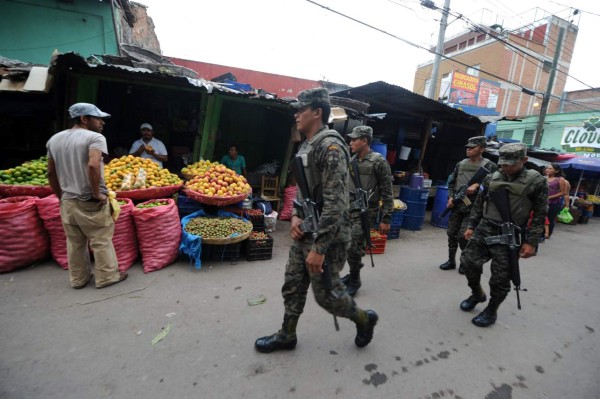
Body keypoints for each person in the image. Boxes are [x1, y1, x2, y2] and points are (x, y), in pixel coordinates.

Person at [254, 88, 378, 353]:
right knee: (293, 285)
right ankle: (287, 335)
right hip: (307, 228)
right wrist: (296, 216)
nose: (297, 114)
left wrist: (319, 249)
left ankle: (364, 319)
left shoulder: (331, 146)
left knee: (328, 297)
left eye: (302, 109)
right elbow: (304, 192)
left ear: (317, 112)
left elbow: (336, 203)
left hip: (329, 236)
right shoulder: (307, 144)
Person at [459, 143, 548, 327]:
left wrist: (531, 242)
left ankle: (491, 310)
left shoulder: (536, 181)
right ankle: (477, 293)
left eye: (511, 164)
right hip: (485, 228)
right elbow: (479, 204)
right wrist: (471, 226)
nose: (506, 167)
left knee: (500, 279)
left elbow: (540, 213)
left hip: (510, 234)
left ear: (524, 160)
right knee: (468, 262)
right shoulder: (491, 177)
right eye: (503, 163)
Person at [46, 103, 127, 289]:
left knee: (75, 243)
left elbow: (50, 173)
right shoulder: (95, 138)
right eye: (98, 118)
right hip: (89, 201)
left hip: (67, 200)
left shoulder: (54, 140)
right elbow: (93, 165)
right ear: (84, 119)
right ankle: (107, 277)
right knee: (101, 239)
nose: (102, 123)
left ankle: (78, 279)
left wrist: (61, 196)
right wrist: (97, 193)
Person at [341, 125, 394, 297]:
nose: (351, 142)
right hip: (348, 210)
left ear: (365, 141)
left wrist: (386, 218)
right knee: (347, 246)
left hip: (365, 212)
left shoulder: (379, 162)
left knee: (354, 248)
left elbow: (387, 192)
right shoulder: (352, 161)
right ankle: (352, 272)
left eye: (354, 139)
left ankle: (355, 280)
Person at [439, 136, 497, 274]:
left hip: (474, 208)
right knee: (451, 233)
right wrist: (451, 197)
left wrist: (478, 185)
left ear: (482, 149)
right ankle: (451, 260)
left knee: (463, 236)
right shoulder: (461, 164)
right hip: (457, 205)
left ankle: (465, 262)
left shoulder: (490, 166)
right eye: (467, 147)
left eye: (472, 147)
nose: (468, 150)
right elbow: (452, 182)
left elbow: (495, 187)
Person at [544, 163, 569, 237]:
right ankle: (542, 234)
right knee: (541, 218)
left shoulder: (560, 180)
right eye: (547, 168)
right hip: (542, 202)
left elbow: (563, 193)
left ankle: (548, 234)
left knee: (549, 219)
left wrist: (549, 197)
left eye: (550, 168)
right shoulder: (543, 178)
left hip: (554, 203)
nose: (547, 170)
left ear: (556, 171)